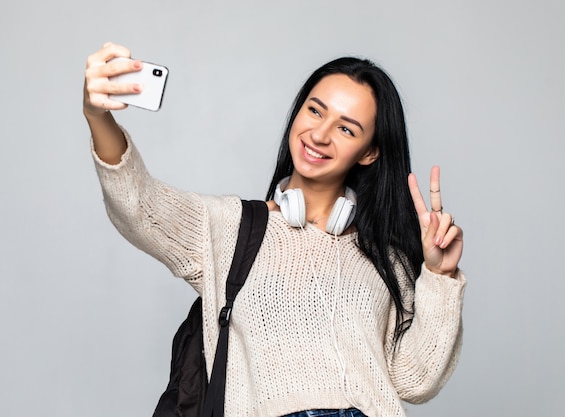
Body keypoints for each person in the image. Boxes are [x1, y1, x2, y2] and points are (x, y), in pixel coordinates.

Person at [83, 42, 465, 417]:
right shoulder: (229, 229)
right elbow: (139, 205)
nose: (319, 134)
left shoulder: (386, 259)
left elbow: (415, 380)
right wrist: (98, 117)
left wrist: (440, 274)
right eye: (315, 111)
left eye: (346, 129)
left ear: (369, 151)